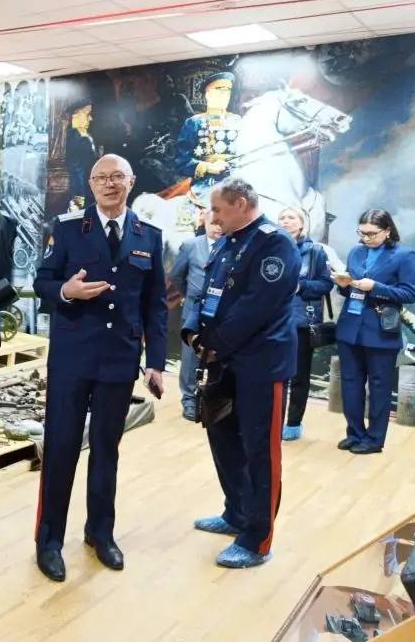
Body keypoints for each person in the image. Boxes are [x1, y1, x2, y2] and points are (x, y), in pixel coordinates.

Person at [33, 154, 167, 581]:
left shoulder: (149, 236)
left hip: (118, 360)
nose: (109, 184)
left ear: (131, 181)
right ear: (90, 184)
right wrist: (66, 291)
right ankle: (49, 542)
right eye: (101, 178)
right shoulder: (68, 229)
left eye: (117, 177)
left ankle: (100, 533)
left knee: (107, 451)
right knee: (61, 449)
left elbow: (155, 305)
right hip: (72, 359)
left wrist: (156, 362)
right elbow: (42, 281)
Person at [182, 178, 299, 569]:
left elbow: (256, 307)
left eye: (218, 210)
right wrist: (194, 333)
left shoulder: (275, 243)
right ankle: (236, 513)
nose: (212, 218)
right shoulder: (228, 242)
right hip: (222, 359)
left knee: (259, 451)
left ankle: (256, 539)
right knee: (223, 438)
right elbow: (205, 292)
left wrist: (215, 343)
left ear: (242, 203)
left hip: (260, 365)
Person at [332, 209, 415, 454]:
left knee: (379, 387)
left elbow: (409, 293)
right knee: (350, 383)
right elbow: (351, 289)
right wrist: (343, 285)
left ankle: (374, 439)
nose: (366, 238)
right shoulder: (356, 251)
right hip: (350, 327)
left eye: (372, 233)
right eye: (362, 233)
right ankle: (354, 433)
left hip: (381, 330)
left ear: (387, 231)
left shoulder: (404, 255)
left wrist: (377, 287)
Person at [276, 206, 334, 441]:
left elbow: (326, 284)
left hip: (300, 323)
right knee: (273, 376)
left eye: (291, 217)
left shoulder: (316, 252)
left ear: (302, 224)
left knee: (299, 376)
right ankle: (272, 422)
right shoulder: (271, 249)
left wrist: (302, 286)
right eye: (282, 217)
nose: (286, 221)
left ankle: (293, 423)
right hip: (272, 322)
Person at [170, 209, 223, 421]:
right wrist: (190, 296)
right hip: (194, 311)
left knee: (219, 357)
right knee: (190, 357)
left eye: (221, 222)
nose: (218, 227)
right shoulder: (191, 245)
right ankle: (189, 399)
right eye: (213, 222)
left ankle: (214, 399)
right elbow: (177, 275)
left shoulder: (233, 246)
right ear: (205, 223)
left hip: (221, 313)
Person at [173, 72, 242, 205]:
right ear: (208, 95)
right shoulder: (194, 123)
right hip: (204, 189)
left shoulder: (238, 122)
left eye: (227, 92)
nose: (224, 96)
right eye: (220, 92)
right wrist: (208, 167)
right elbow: (181, 161)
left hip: (236, 187)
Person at [64, 101, 98, 209]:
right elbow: (77, 171)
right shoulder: (75, 138)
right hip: (82, 193)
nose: (90, 119)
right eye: (87, 114)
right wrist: (80, 198)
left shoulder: (85, 136)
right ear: (75, 115)